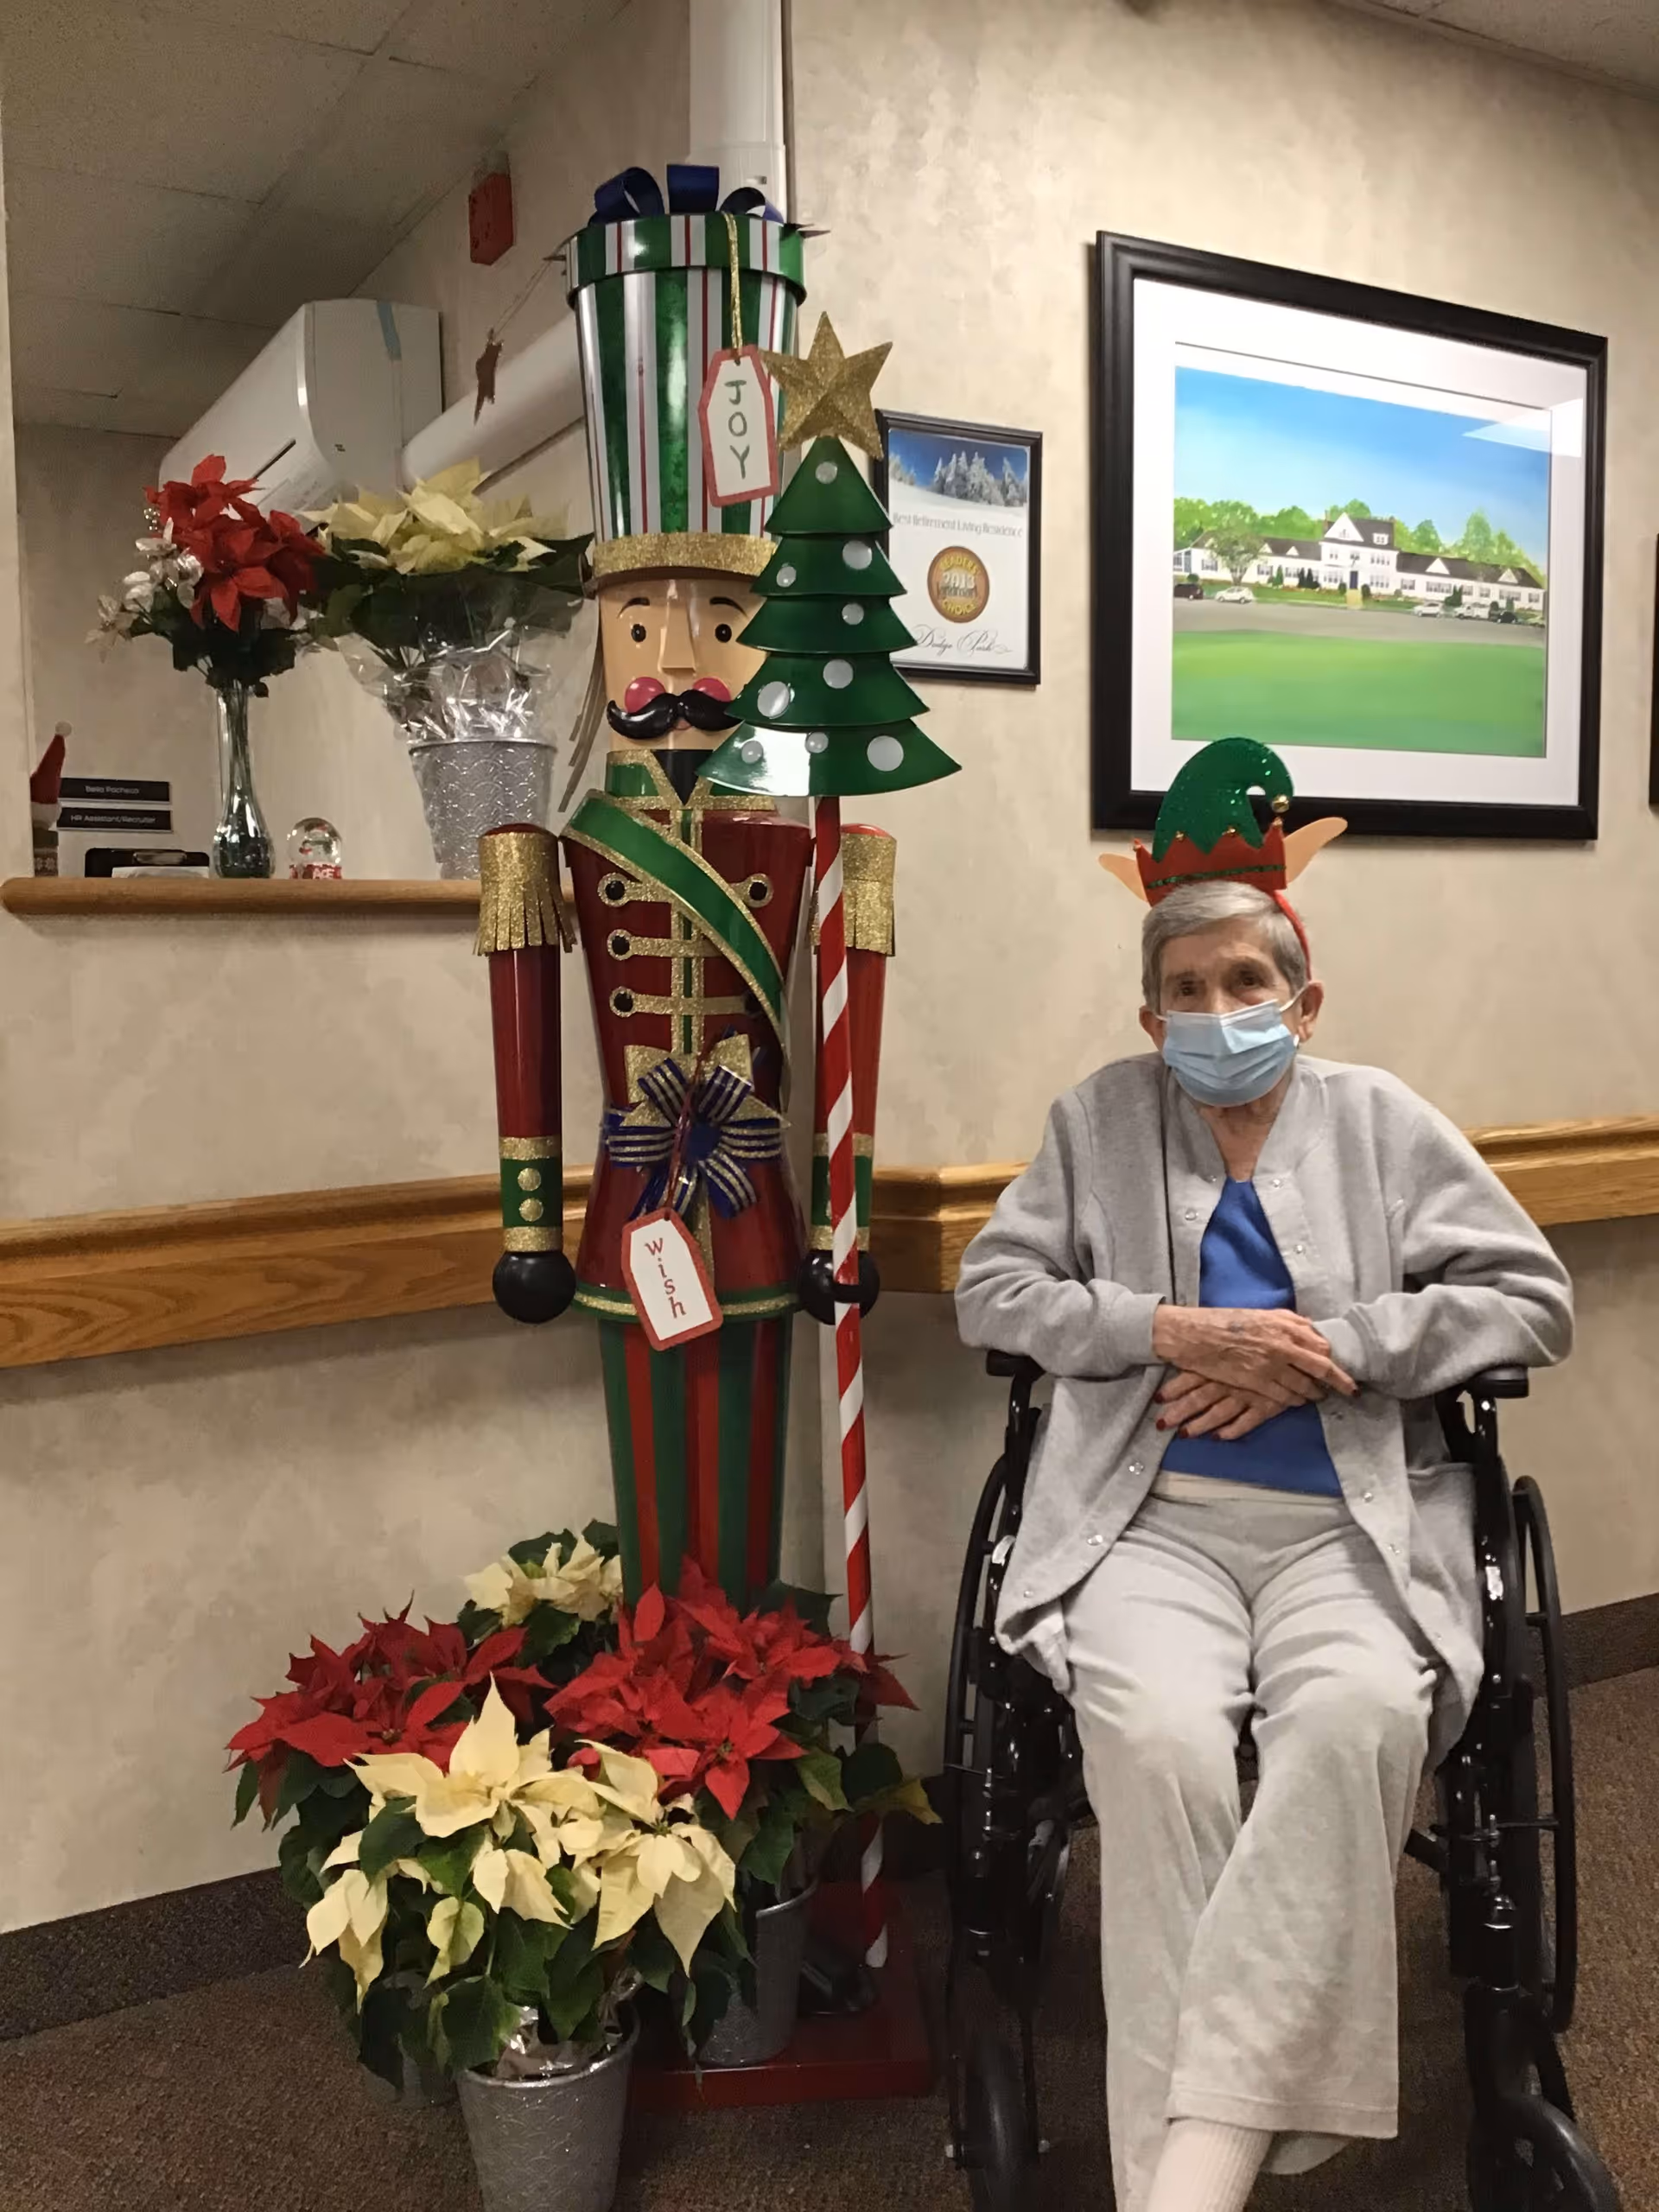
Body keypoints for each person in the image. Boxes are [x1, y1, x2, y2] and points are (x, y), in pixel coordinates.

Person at [955, 740, 1573, 2212]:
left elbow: (1530, 1297)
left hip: (1346, 1530)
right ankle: (1216, 2165)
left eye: (1248, 984)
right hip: (1148, 1525)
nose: (1220, 1013)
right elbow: (995, 1292)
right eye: (1188, 989)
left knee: (1357, 1717)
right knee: (1159, 1744)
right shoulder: (1094, 1123)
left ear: (1305, 999)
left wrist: (1338, 1349)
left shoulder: (1382, 1122)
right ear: (1150, 1009)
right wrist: (1164, 1327)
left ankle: (1190, 2175)